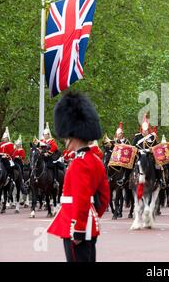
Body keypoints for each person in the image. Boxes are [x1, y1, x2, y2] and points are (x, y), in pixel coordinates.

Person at [47, 91, 110, 262]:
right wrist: (93, 216)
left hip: (76, 226)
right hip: (88, 223)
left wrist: (79, 229)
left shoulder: (78, 163)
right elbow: (104, 197)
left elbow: (81, 198)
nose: (65, 141)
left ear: (72, 136)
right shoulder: (95, 160)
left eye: (67, 137)